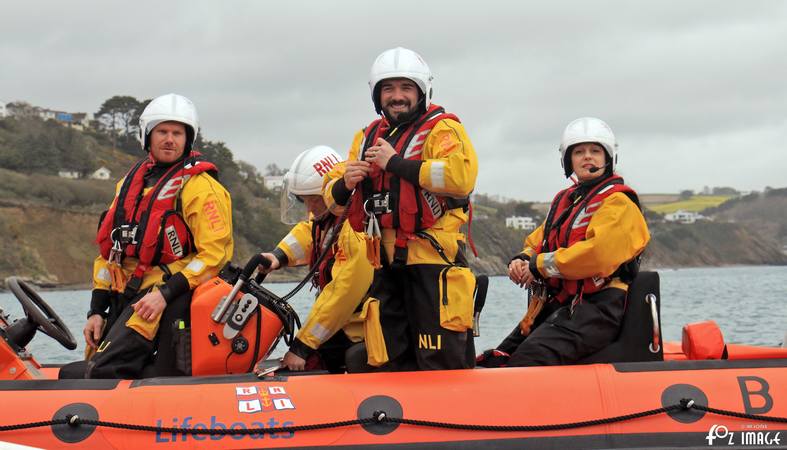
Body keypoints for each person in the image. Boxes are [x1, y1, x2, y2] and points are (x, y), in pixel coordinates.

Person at [323, 47, 479, 371]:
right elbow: (333, 199)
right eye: (389, 89)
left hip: (432, 263)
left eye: (406, 88)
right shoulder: (365, 138)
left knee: (438, 359)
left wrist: (395, 163)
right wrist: (346, 183)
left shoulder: (443, 130)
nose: (397, 97)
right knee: (389, 359)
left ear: (421, 92)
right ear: (377, 95)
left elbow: (460, 177)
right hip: (385, 266)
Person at [59, 93, 233, 379]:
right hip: (124, 292)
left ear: (188, 139)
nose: (169, 139)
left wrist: (165, 294)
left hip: (159, 292)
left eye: (177, 133)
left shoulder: (201, 188)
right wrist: (96, 310)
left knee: (103, 371)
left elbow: (215, 255)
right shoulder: (129, 184)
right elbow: (110, 254)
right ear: (147, 135)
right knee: (89, 365)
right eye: (162, 131)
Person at [480, 117, 649, 368]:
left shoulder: (619, 204)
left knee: (529, 359)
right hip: (562, 303)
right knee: (497, 358)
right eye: (579, 152)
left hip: (598, 309)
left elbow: (597, 254)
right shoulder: (568, 201)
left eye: (595, 151)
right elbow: (541, 241)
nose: (587, 157)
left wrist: (538, 265)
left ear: (608, 158)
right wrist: (523, 259)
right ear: (568, 160)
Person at [259, 146, 372, 373]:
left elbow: (342, 294)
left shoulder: (355, 229)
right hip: (344, 325)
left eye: (315, 200)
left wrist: (302, 346)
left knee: (308, 360)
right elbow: (308, 234)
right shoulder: (328, 219)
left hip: (360, 330)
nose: (310, 208)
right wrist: (277, 257)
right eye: (304, 201)